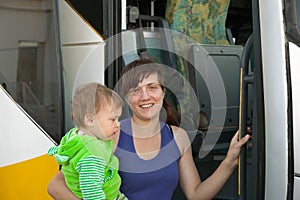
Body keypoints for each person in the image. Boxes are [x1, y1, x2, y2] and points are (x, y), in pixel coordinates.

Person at [47, 58, 250, 200]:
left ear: (163, 92)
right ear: (126, 98)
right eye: (136, 90)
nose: (145, 96)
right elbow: (55, 186)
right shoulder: (111, 135)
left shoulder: (177, 137)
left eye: (152, 88)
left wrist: (230, 160)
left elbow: (196, 194)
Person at [48, 82, 127, 200]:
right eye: (113, 119)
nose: (118, 124)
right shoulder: (92, 154)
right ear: (90, 120)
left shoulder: (75, 136)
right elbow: (92, 192)